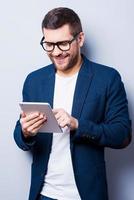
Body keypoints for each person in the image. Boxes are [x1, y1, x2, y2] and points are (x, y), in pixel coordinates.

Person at [14, 7, 131, 200]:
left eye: (63, 44)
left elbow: (123, 135)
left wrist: (78, 125)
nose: (56, 52)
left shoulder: (107, 78)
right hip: (43, 194)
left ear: (80, 39)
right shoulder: (34, 80)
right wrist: (25, 132)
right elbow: (20, 138)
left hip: (86, 195)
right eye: (49, 45)